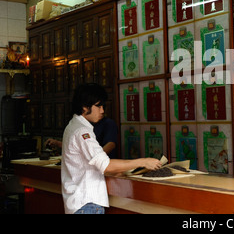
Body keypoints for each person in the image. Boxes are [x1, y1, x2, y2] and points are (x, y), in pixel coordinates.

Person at [61, 83, 161, 214]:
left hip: (81, 203)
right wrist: (143, 161)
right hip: (86, 204)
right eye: (98, 106)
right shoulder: (82, 131)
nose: (102, 110)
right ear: (85, 107)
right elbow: (105, 165)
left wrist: (119, 170)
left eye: (103, 106)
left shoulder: (74, 126)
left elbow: (91, 166)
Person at [45, 116, 119, 159]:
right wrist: (57, 143)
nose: (101, 110)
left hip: (104, 164)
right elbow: (75, 146)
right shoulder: (82, 125)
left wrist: (96, 158)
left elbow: (111, 144)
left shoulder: (108, 123)